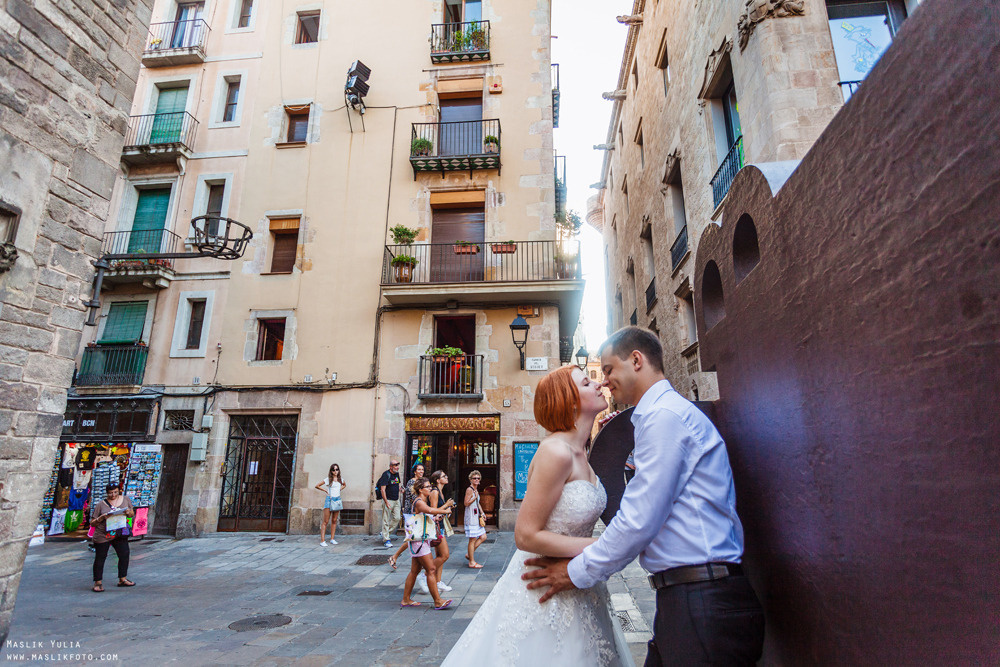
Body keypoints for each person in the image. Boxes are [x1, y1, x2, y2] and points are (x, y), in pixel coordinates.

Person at [522, 327, 765, 666]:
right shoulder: (657, 417)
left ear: (636, 360)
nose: (604, 380)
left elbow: (638, 521)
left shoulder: (664, 419)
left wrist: (575, 573)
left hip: (702, 599)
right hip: (687, 599)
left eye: (607, 370)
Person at [441, 365, 629, 666]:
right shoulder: (556, 452)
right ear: (569, 401)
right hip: (544, 587)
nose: (598, 384)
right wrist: (603, 546)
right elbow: (526, 534)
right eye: (586, 382)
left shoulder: (582, 453)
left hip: (580, 585)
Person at [400, 478, 454, 610]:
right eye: (427, 486)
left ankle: (406, 599)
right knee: (431, 569)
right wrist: (445, 511)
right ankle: (437, 601)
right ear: (420, 489)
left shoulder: (421, 501)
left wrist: (436, 517)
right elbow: (429, 510)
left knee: (415, 571)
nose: (430, 488)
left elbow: (427, 515)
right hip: (419, 542)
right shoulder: (419, 502)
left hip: (421, 540)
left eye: (430, 486)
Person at [90, 483, 136, 592]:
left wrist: (129, 512)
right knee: (101, 557)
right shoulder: (101, 505)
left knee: (124, 554)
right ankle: (98, 582)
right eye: (110, 493)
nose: (113, 495)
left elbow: (131, 514)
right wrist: (101, 518)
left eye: (115, 492)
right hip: (103, 534)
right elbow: (92, 523)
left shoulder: (125, 500)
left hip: (119, 533)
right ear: (107, 493)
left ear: (119, 491)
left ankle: (122, 578)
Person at [388, 462, 425, 569]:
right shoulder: (411, 482)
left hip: (418, 513)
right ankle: (394, 557)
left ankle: (419, 560)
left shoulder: (421, 482)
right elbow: (414, 498)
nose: (421, 471)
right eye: (419, 469)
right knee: (412, 538)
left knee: (416, 538)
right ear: (414, 471)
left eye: (422, 470)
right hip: (411, 513)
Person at [427, 470, 454, 592]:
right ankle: (425, 574)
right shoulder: (434, 492)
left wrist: (447, 508)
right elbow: (433, 510)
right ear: (437, 480)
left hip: (441, 525)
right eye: (444, 476)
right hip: (436, 527)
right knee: (445, 555)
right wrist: (446, 505)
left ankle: (438, 581)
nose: (446, 477)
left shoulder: (440, 491)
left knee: (440, 555)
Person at [314, 463, 345, 546]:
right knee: (325, 521)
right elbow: (317, 486)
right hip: (329, 500)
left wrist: (339, 489)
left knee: (334, 520)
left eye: (337, 469)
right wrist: (325, 491)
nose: (335, 471)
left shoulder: (341, 479)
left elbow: (344, 485)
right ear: (331, 471)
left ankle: (332, 539)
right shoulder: (328, 479)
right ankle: (322, 541)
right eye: (334, 470)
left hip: (337, 500)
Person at [463, 469, 487, 568]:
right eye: (474, 478)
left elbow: (477, 503)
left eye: (478, 478)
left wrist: (482, 512)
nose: (476, 480)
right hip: (471, 516)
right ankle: (471, 562)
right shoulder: (469, 489)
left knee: (483, 537)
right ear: (471, 479)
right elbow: (466, 503)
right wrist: (474, 497)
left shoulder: (476, 489)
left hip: (476, 516)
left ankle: (469, 554)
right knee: (472, 539)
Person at [377, 460, 402, 548]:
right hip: (388, 500)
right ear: (391, 466)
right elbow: (382, 490)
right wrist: (386, 502)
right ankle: (386, 540)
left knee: (397, 518)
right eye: (395, 465)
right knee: (386, 520)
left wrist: (400, 490)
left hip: (396, 500)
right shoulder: (386, 475)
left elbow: (397, 485)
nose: (397, 467)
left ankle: (385, 533)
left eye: (398, 465)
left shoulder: (397, 474)